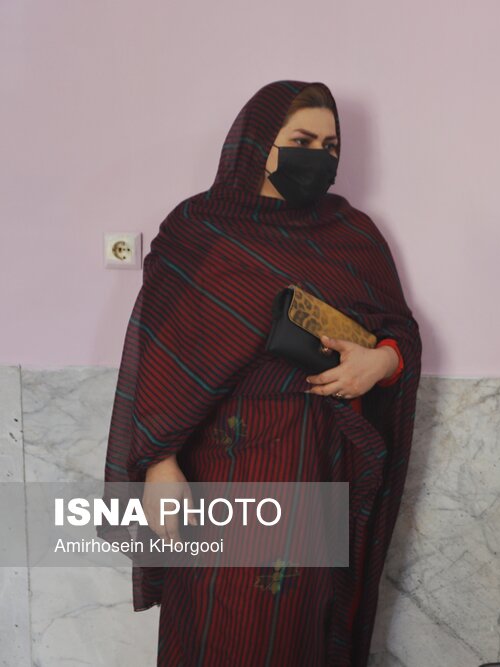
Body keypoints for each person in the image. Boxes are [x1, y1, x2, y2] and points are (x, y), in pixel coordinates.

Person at [99, 81, 421, 666]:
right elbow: (161, 354)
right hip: (219, 467)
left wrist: (383, 362)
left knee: (300, 626)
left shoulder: (352, 234)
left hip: (317, 461)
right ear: (257, 144)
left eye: (329, 146)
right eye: (302, 141)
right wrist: (159, 464)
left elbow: (399, 330)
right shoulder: (200, 228)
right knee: (217, 622)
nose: (318, 157)